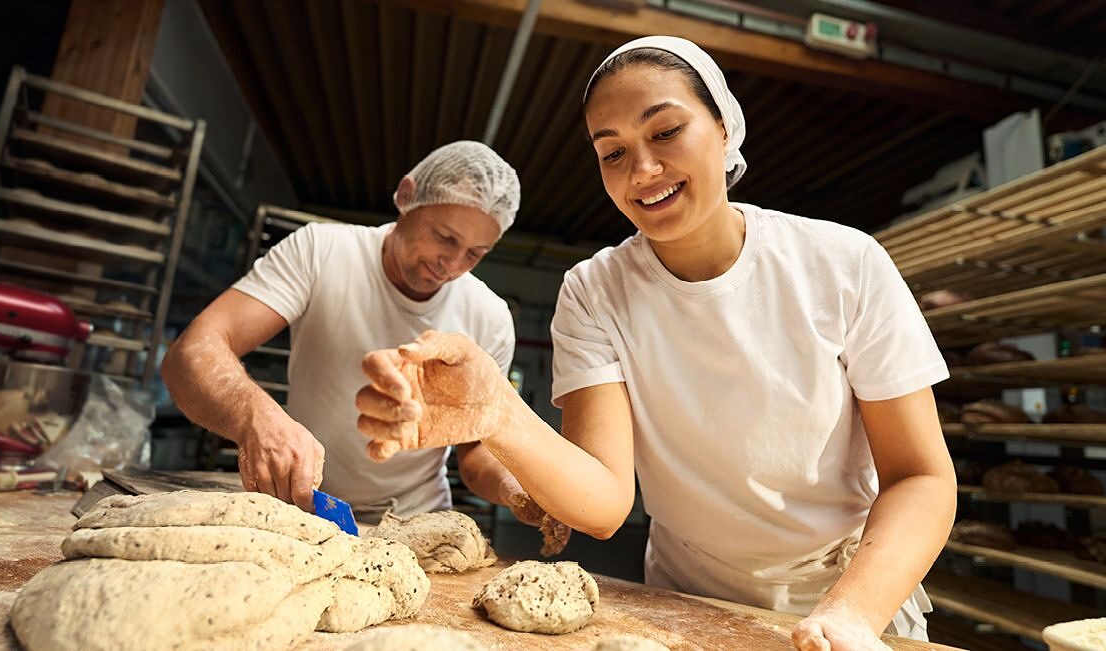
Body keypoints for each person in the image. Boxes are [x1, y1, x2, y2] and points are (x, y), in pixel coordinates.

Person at [353, 38, 954, 649]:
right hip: (687, 603)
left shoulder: (842, 263)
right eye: (612, 152)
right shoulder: (595, 291)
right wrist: (498, 413)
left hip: (853, 597)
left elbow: (920, 478)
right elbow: (605, 501)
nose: (641, 171)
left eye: (665, 132)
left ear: (723, 128)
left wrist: (852, 613)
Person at [162, 140, 568, 553]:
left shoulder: (489, 317)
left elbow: (476, 452)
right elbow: (191, 351)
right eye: (444, 237)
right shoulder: (322, 252)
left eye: (475, 254)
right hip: (302, 507)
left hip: (416, 526)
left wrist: (519, 489)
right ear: (407, 196)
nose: (452, 265)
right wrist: (255, 416)